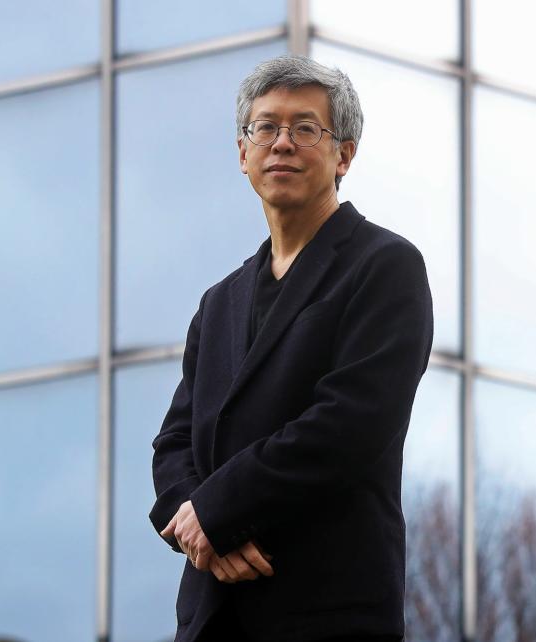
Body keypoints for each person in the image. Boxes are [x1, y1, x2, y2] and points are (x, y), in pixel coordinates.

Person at [148, 55, 433, 642]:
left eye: (305, 128)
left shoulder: (385, 266)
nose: (282, 143)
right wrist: (198, 527)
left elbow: (351, 422)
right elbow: (174, 442)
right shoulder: (218, 301)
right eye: (265, 128)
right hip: (211, 615)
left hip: (325, 608)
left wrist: (220, 511)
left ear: (343, 155)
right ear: (242, 153)